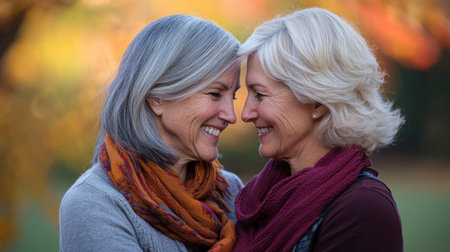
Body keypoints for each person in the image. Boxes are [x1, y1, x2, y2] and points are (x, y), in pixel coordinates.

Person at [59, 14, 244, 252]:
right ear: (157, 98)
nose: (231, 115)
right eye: (215, 94)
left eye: (234, 96)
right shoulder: (94, 204)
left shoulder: (230, 191)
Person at [233, 7, 404, 252]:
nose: (245, 113)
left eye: (260, 94)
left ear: (317, 101)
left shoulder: (362, 209)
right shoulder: (263, 196)